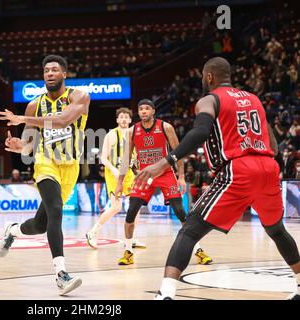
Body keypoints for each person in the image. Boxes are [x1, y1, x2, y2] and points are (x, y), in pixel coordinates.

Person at [134, 57, 300, 300]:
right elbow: (273, 144)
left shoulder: (209, 99)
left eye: (203, 76)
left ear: (209, 77)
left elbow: (200, 132)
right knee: (276, 230)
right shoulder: (254, 99)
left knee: (189, 230)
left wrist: (164, 162)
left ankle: (166, 293)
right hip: (268, 166)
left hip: (238, 168)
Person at [0, 55, 89, 295]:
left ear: (64, 74)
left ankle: (13, 230)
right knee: (56, 209)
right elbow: (28, 145)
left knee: (40, 224)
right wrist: (19, 145)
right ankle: (61, 274)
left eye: (55, 69)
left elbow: (62, 121)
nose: (49, 73)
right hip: (45, 162)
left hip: (70, 167)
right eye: (46, 70)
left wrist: (23, 119)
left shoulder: (79, 97)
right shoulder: (33, 105)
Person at [115, 99, 212, 266]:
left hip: (166, 174)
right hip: (144, 176)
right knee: (131, 212)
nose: (143, 111)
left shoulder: (165, 127)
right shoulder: (132, 131)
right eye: (140, 109)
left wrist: (181, 177)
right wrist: (119, 183)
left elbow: (178, 153)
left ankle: (198, 250)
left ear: (153, 111)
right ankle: (128, 250)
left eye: (147, 108)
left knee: (181, 213)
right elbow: (125, 158)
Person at [86, 107, 146, 249]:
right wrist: (113, 170)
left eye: (127, 117)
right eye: (121, 117)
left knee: (135, 207)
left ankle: (131, 239)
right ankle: (92, 232)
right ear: (117, 120)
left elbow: (136, 158)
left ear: (130, 120)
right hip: (114, 174)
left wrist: (139, 171)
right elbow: (103, 158)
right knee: (116, 207)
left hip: (130, 174)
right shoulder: (111, 135)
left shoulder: (135, 135)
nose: (124, 119)